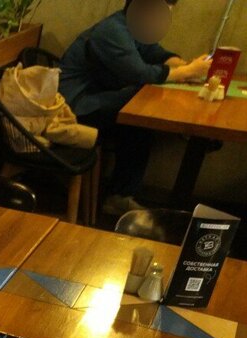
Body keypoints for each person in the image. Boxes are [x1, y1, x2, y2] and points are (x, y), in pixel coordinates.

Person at [59, 0, 211, 215]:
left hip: (96, 97)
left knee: (139, 116)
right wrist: (187, 72)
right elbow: (140, 73)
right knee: (140, 112)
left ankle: (121, 195)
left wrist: (182, 65)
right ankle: (120, 196)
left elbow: (155, 53)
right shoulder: (112, 31)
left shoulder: (133, 27)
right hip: (75, 105)